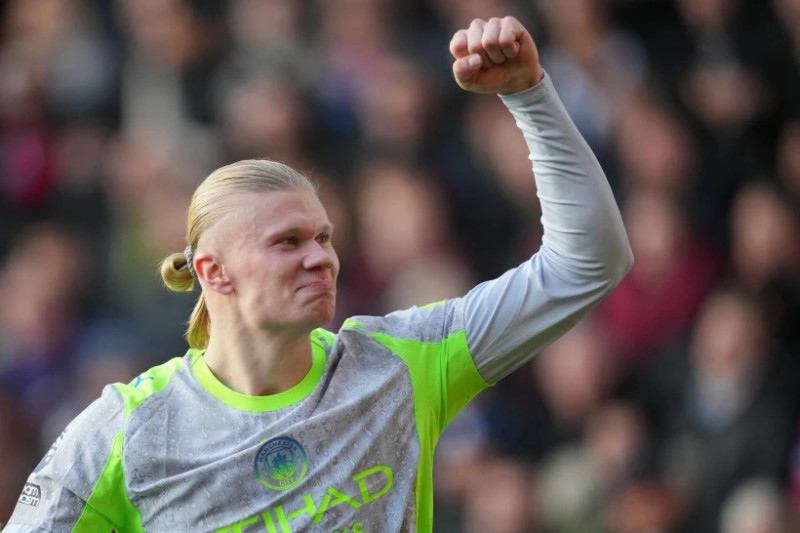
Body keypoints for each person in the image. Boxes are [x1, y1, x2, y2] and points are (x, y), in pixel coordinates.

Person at [3, 16, 632, 533]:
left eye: (325, 237)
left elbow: (589, 263)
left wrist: (529, 94)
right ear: (212, 272)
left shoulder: (400, 364)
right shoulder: (127, 431)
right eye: (288, 242)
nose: (321, 257)